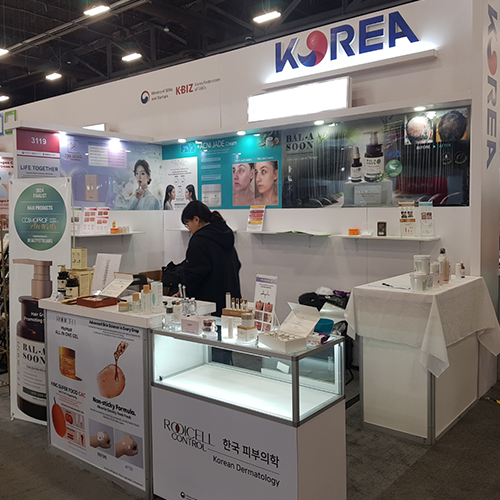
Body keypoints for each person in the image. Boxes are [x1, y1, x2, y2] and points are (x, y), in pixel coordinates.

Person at [181, 201, 241, 316]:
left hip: (209, 305)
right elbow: (237, 265)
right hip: (231, 301)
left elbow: (194, 275)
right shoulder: (224, 235)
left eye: (187, 223)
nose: (189, 229)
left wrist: (186, 295)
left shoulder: (199, 240)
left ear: (196, 219)